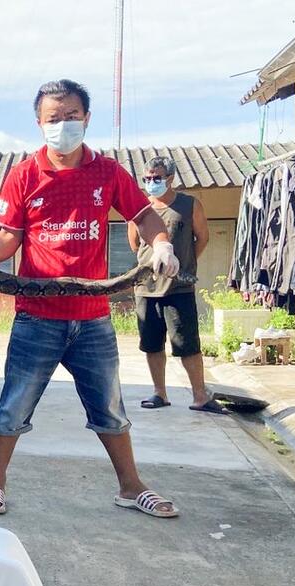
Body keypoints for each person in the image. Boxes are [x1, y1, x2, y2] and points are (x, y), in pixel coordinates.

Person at [0, 79, 182, 519]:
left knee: (110, 408)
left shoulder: (107, 173)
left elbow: (143, 215)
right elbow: (10, 235)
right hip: (37, 316)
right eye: (54, 119)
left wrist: (161, 244)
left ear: (86, 118)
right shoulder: (24, 175)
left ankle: (131, 486)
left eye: (71, 116)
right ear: (39, 124)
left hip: (92, 318)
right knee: (13, 404)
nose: (63, 125)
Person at [128, 156, 224, 414]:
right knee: (151, 343)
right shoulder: (140, 209)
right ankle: (159, 393)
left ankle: (200, 396)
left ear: (170, 178)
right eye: (147, 178)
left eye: (156, 178)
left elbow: (201, 239)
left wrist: (183, 264)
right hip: (146, 287)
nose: (151, 182)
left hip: (179, 288)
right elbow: (135, 245)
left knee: (187, 344)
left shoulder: (189, 205)